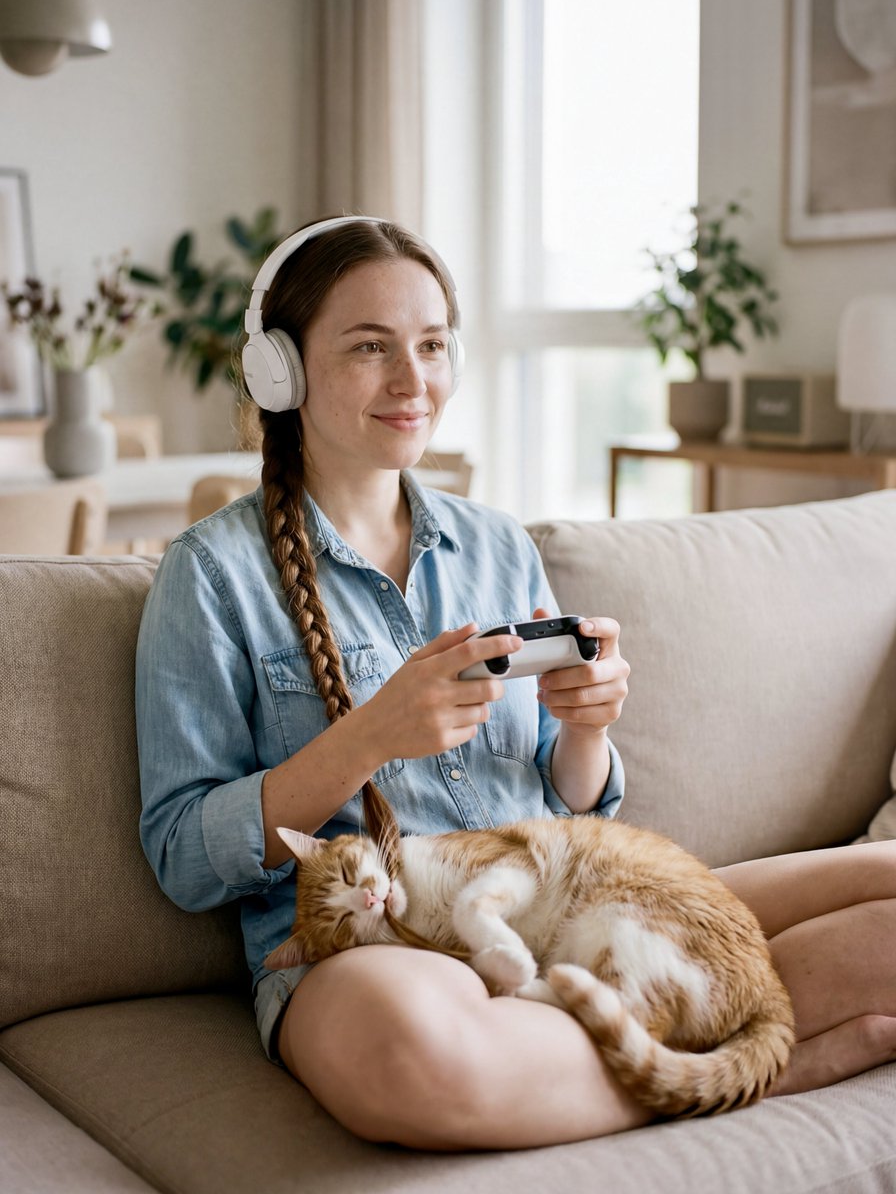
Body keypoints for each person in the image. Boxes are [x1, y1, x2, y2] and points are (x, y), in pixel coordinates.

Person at [136, 215, 896, 1151]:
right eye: (371, 348)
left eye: (432, 346)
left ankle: (696, 1021)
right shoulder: (210, 575)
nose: (413, 381)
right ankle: (754, 1069)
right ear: (280, 371)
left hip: (568, 895)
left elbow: (575, 797)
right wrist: (369, 736)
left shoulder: (496, 544)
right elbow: (180, 853)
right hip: (391, 950)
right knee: (423, 1061)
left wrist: (587, 728)